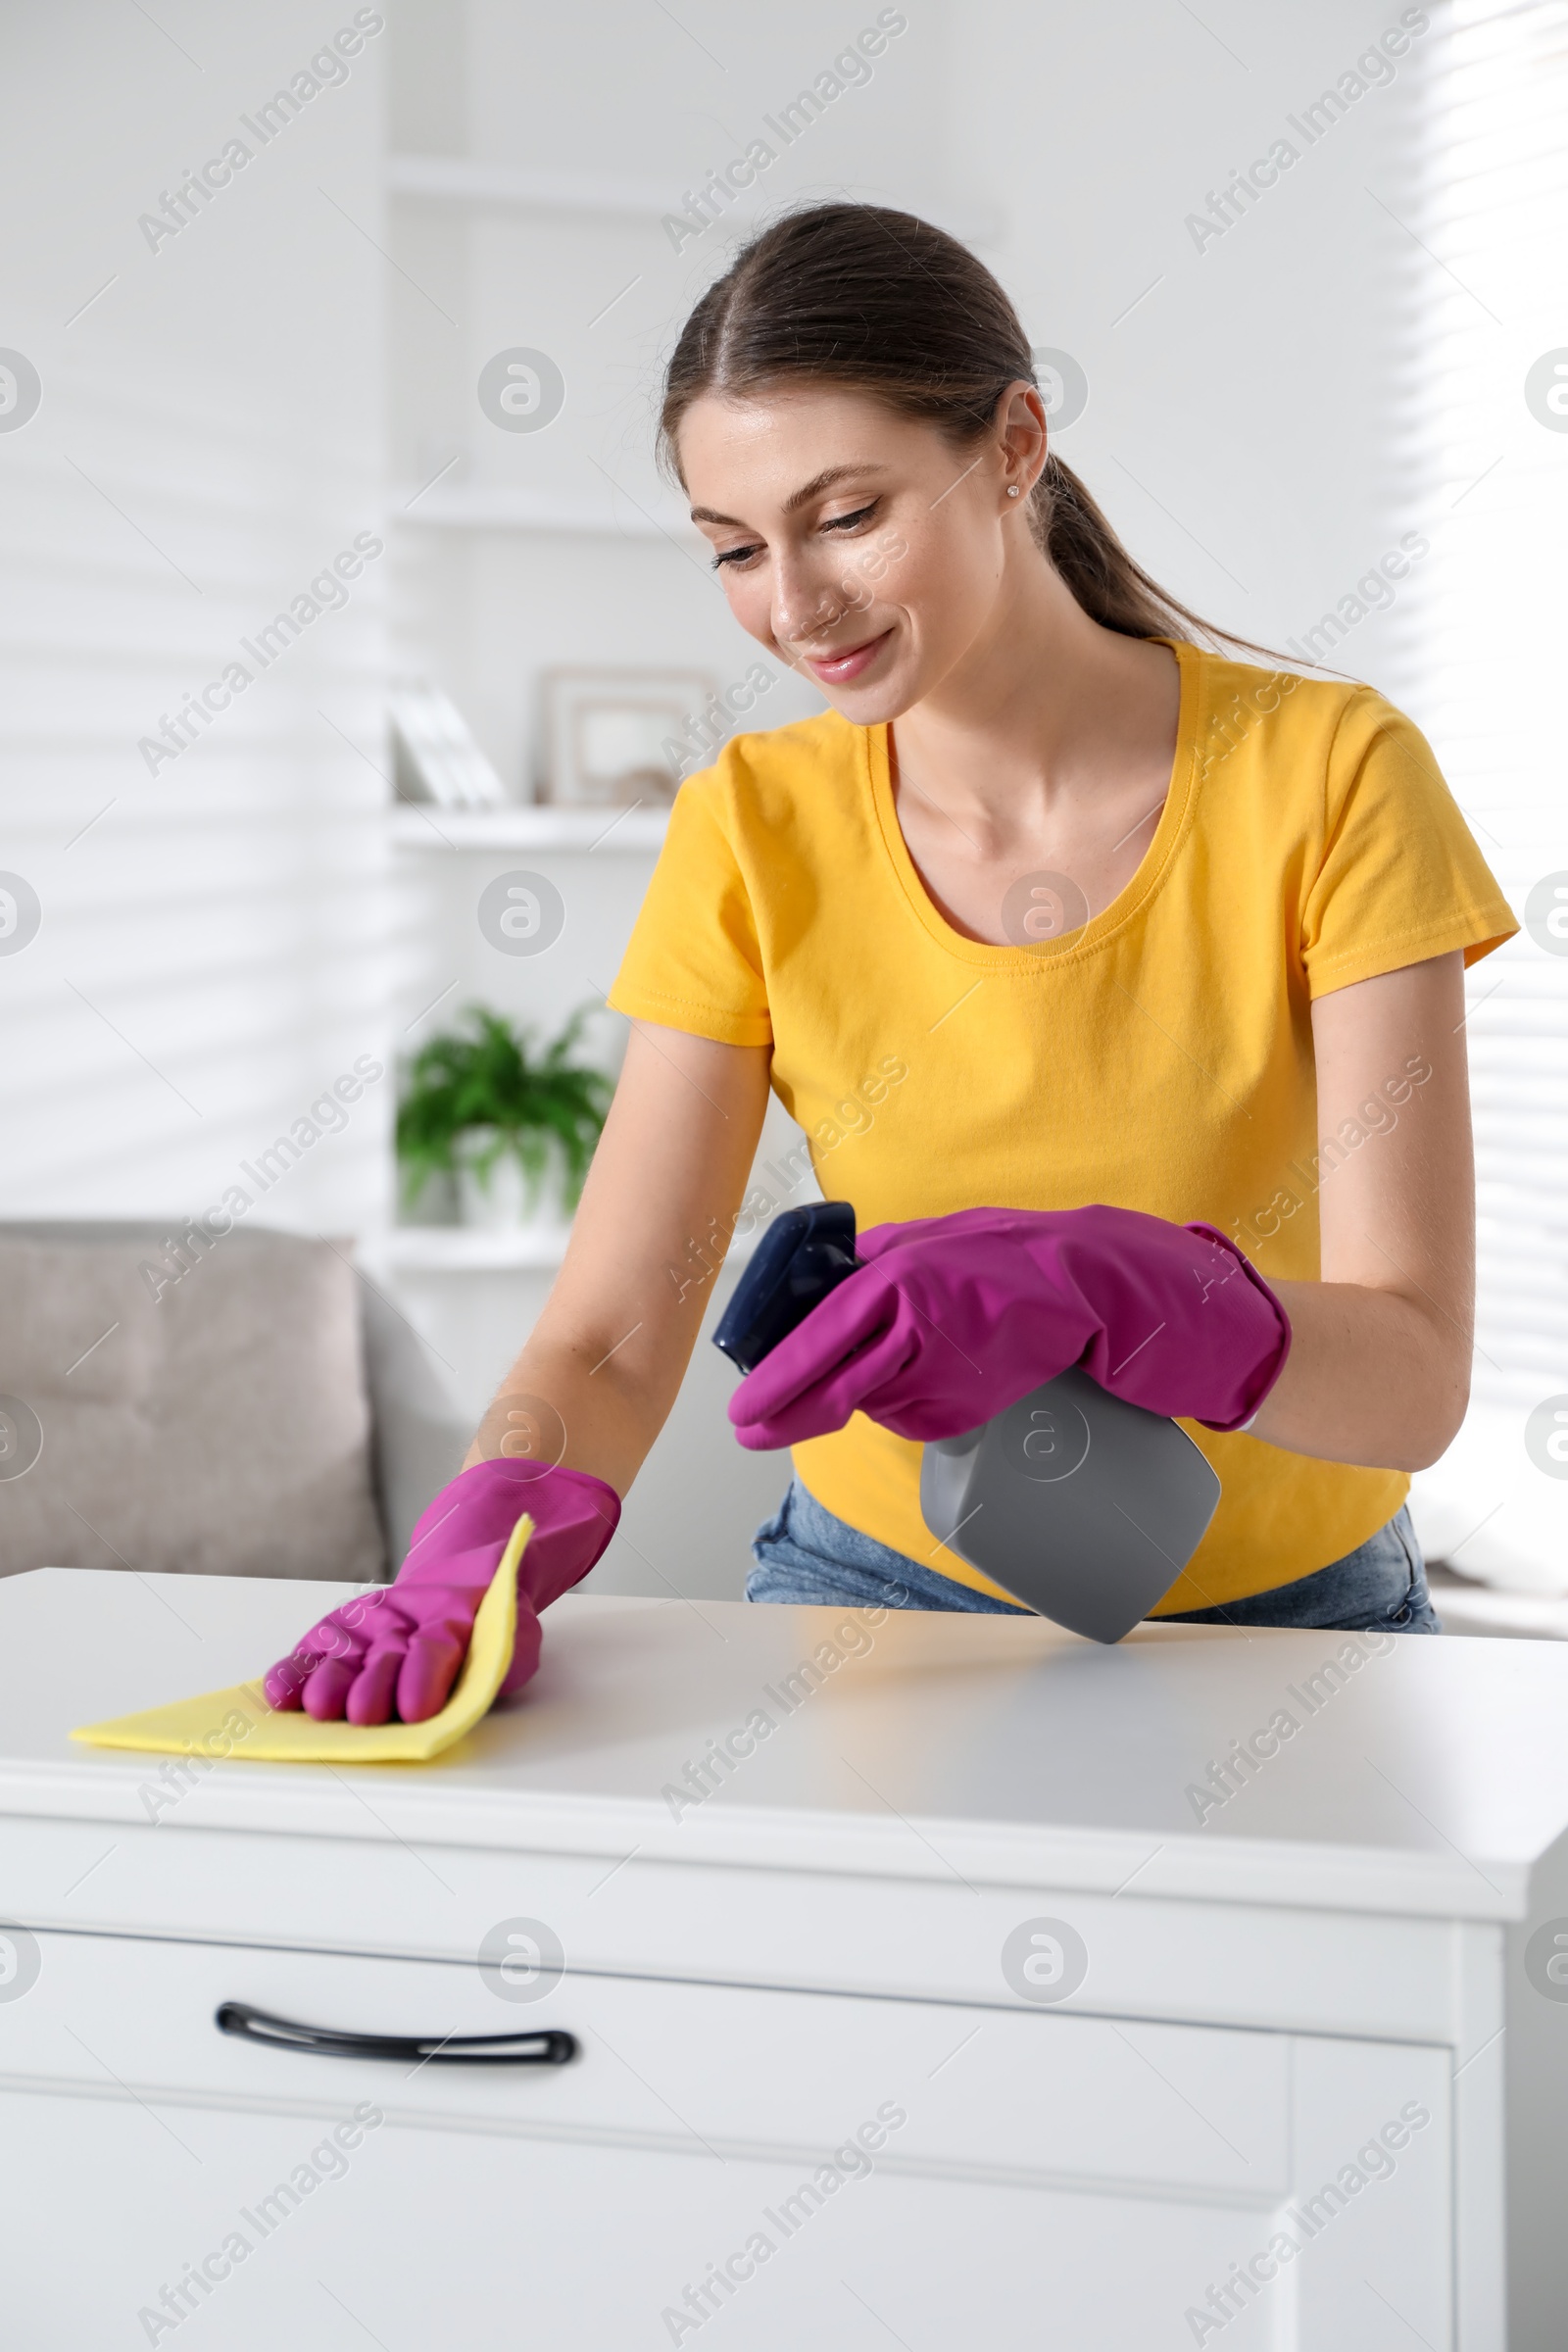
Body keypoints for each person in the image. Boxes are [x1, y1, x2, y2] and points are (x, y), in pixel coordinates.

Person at [267, 202, 1516, 1727]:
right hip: (877, 1610)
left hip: (1302, 1629)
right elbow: (609, 1330)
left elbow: (1413, 1377)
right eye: (734, 547)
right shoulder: (753, 824)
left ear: (1012, 444)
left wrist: (1109, 1288)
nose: (793, 608)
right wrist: (479, 1541)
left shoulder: (1330, 777)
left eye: (847, 516)